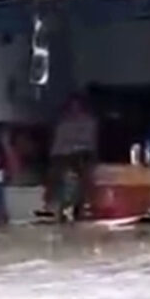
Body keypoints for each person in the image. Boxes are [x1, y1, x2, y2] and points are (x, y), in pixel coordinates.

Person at [48, 94, 99, 222]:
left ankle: (83, 205)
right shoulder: (63, 123)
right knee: (58, 173)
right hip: (63, 156)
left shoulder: (89, 121)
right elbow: (58, 144)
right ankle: (56, 205)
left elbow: (89, 142)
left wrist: (73, 145)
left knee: (83, 170)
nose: (74, 109)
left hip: (83, 154)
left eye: (77, 106)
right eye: (71, 106)